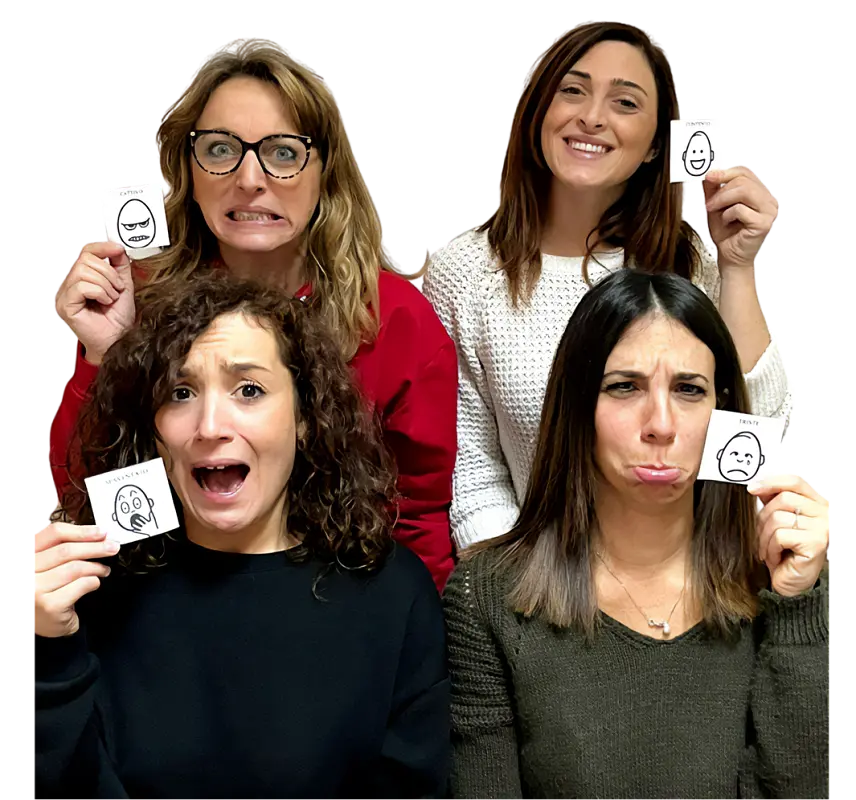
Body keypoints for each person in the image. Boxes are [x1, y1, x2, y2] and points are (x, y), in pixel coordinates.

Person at [49, 36, 457, 591]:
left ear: (325, 172)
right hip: (166, 597)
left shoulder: (396, 320)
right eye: (220, 149)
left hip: (334, 604)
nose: (249, 179)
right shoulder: (137, 299)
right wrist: (104, 356)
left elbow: (415, 522)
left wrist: (409, 634)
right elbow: (87, 503)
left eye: (283, 153)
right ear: (188, 170)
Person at [34, 272, 451, 799]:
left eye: (249, 390)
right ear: (154, 432)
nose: (210, 426)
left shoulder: (392, 592)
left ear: (305, 418)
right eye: (180, 393)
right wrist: (47, 650)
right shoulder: (93, 590)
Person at [443, 269, 830, 799]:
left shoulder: (784, 576)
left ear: (722, 412)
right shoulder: (486, 596)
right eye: (624, 387)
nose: (661, 425)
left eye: (689, 390)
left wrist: (797, 603)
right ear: (579, 405)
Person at [421, 20, 788, 550]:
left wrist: (736, 267)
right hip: (533, 582)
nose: (592, 118)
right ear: (537, 111)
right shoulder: (463, 273)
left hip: (684, 574)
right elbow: (472, 474)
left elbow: (754, 438)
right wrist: (516, 589)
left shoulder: (691, 264)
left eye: (625, 103)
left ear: (657, 145)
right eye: (572, 91)